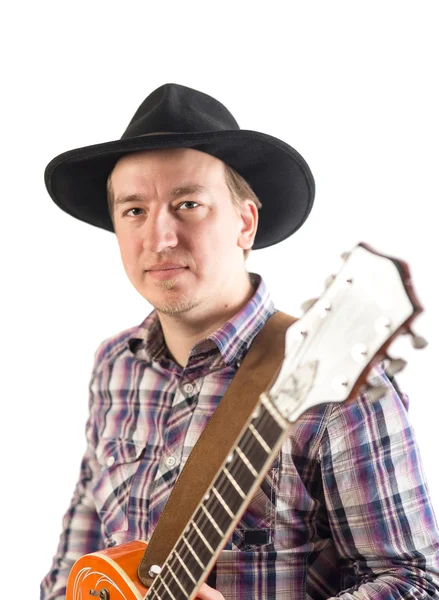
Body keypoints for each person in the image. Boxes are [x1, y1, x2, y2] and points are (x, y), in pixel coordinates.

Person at [41, 83, 439, 600]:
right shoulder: (115, 365)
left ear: (245, 223)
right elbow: (79, 558)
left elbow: (416, 582)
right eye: (134, 211)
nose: (160, 238)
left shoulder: (339, 381)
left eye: (187, 204)